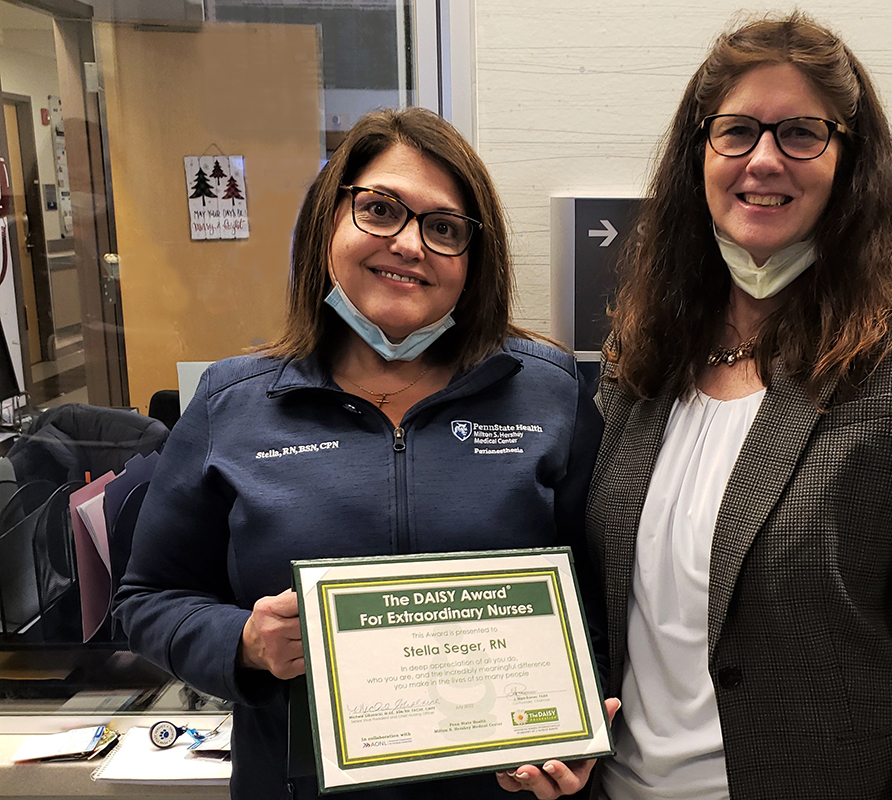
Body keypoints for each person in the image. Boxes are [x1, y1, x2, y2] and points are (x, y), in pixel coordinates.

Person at [501, 12, 892, 800]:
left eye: (799, 133)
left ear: (849, 159)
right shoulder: (644, 356)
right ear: (700, 156)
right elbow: (609, 599)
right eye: (737, 132)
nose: (762, 160)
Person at [115, 107, 606, 800]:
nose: (410, 244)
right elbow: (149, 599)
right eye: (379, 209)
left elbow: (605, 600)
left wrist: (584, 732)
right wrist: (244, 642)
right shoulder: (233, 403)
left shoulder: (548, 394)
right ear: (327, 221)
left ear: (473, 258)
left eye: (443, 227)